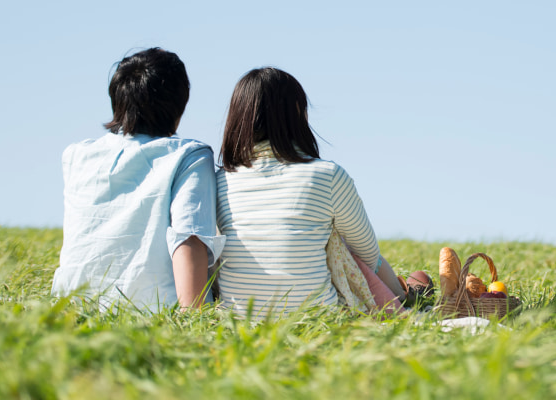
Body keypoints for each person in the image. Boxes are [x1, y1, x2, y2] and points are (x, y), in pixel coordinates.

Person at [215, 67, 430, 318]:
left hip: (238, 321)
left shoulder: (221, 182)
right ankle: (404, 299)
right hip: (318, 319)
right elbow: (368, 254)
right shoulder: (326, 175)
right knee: (344, 244)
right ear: (298, 113)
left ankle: (406, 295)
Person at [52, 48, 224, 312]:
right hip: (152, 313)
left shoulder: (76, 155)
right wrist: (195, 320)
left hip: (70, 310)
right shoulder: (188, 156)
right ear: (180, 106)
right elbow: (188, 238)